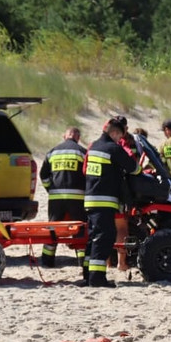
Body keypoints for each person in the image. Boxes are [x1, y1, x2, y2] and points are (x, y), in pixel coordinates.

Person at [82, 117, 140, 287]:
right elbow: (133, 167)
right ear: (114, 132)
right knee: (104, 237)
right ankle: (97, 279)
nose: (120, 139)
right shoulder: (112, 148)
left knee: (93, 237)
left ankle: (88, 274)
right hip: (104, 200)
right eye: (119, 136)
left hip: (91, 199)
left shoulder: (94, 147)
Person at [38, 127, 87, 269]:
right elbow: (88, 175)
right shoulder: (82, 152)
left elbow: (44, 176)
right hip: (77, 198)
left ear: (64, 136)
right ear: (78, 137)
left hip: (56, 198)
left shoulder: (52, 152)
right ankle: (82, 263)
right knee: (79, 230)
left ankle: (47, 261)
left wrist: (51, 190)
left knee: (53, 228)